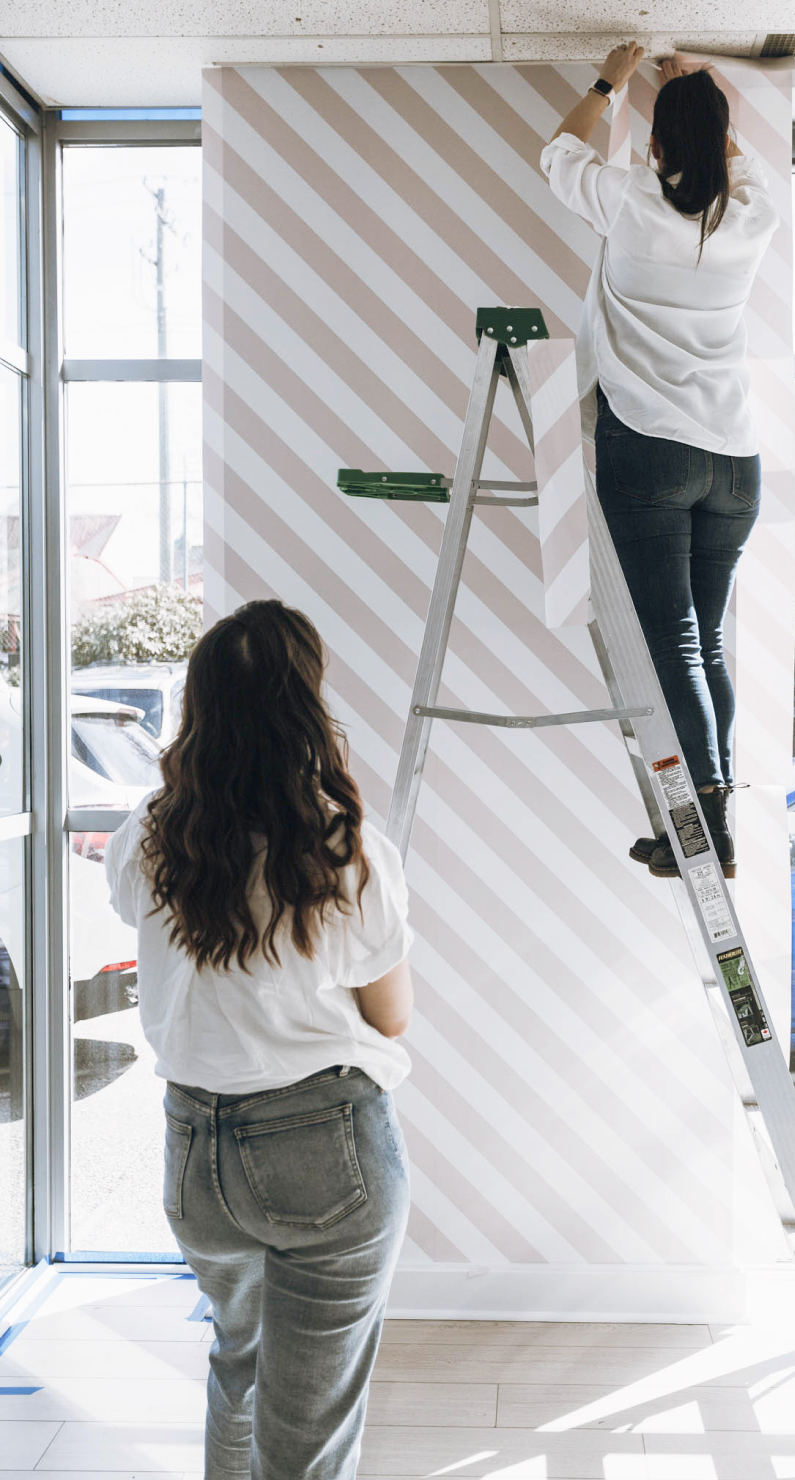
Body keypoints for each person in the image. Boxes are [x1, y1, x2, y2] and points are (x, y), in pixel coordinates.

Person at [104, 599, 414, 1480]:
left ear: (197, 709)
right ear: (305, 706)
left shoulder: (154, 834)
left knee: (238, 1367)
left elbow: (138, 921)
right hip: (324, 1149)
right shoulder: (342, 845)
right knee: (308, 1431)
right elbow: (392, 1016)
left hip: (196, 1153)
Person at [540, 42, 780, 878]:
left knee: (675, 644)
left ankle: (704, 835)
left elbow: (557, 152)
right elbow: (734, 160)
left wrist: (611, 78)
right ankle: (718, 831)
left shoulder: (634, 199)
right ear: (723, 142)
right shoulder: (752, 214)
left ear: (656, 149)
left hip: (651, 450)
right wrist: (699, 97)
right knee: (704, 643)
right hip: (734, 464)